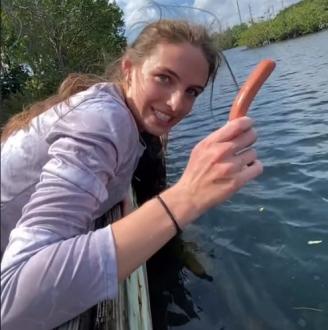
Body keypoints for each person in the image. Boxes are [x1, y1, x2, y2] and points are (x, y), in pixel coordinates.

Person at [1, 19, 262, 329]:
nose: (177, 103)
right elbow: (12, 299)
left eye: (192, 91)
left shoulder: (123, 115)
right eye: (164, 78)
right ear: (129, 68)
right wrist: (187, 196)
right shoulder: (102, 121)